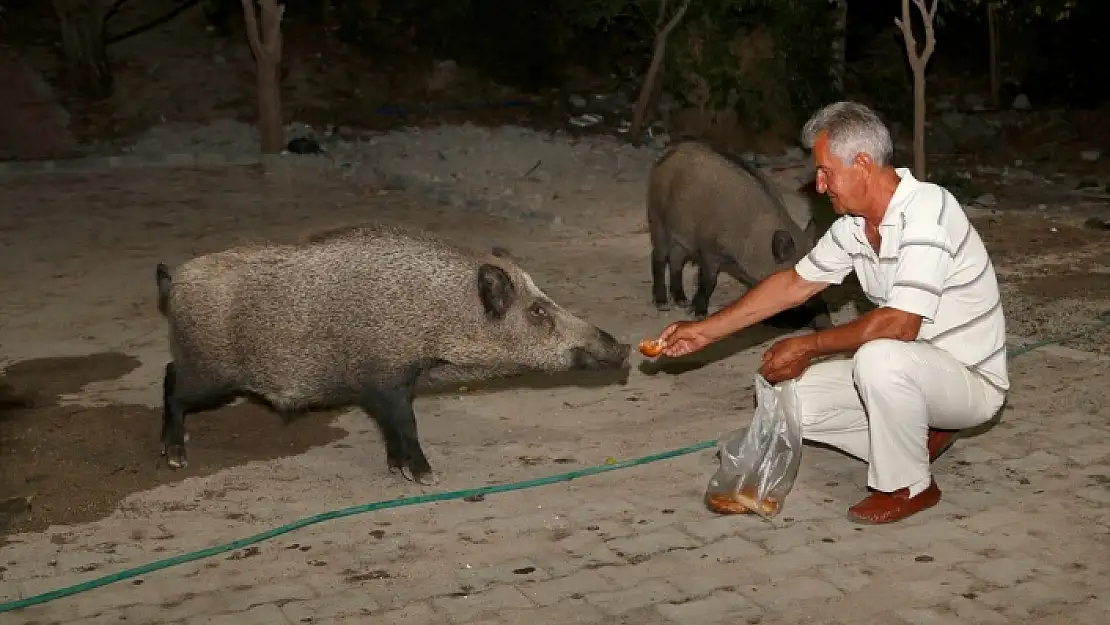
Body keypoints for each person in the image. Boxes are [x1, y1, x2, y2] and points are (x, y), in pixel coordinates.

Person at [656, 101, 1009, 524]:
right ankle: (915, 436)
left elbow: (900, 324)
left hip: (969, 380)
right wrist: (705, 332)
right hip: (917, 369)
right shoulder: (854, 228)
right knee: (789, 396)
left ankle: (909, 485)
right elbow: (793, 284)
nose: (820, 185)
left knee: (880, 358)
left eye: (826, 171)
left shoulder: (927, 211)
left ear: (862, 163)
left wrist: (812, 344)